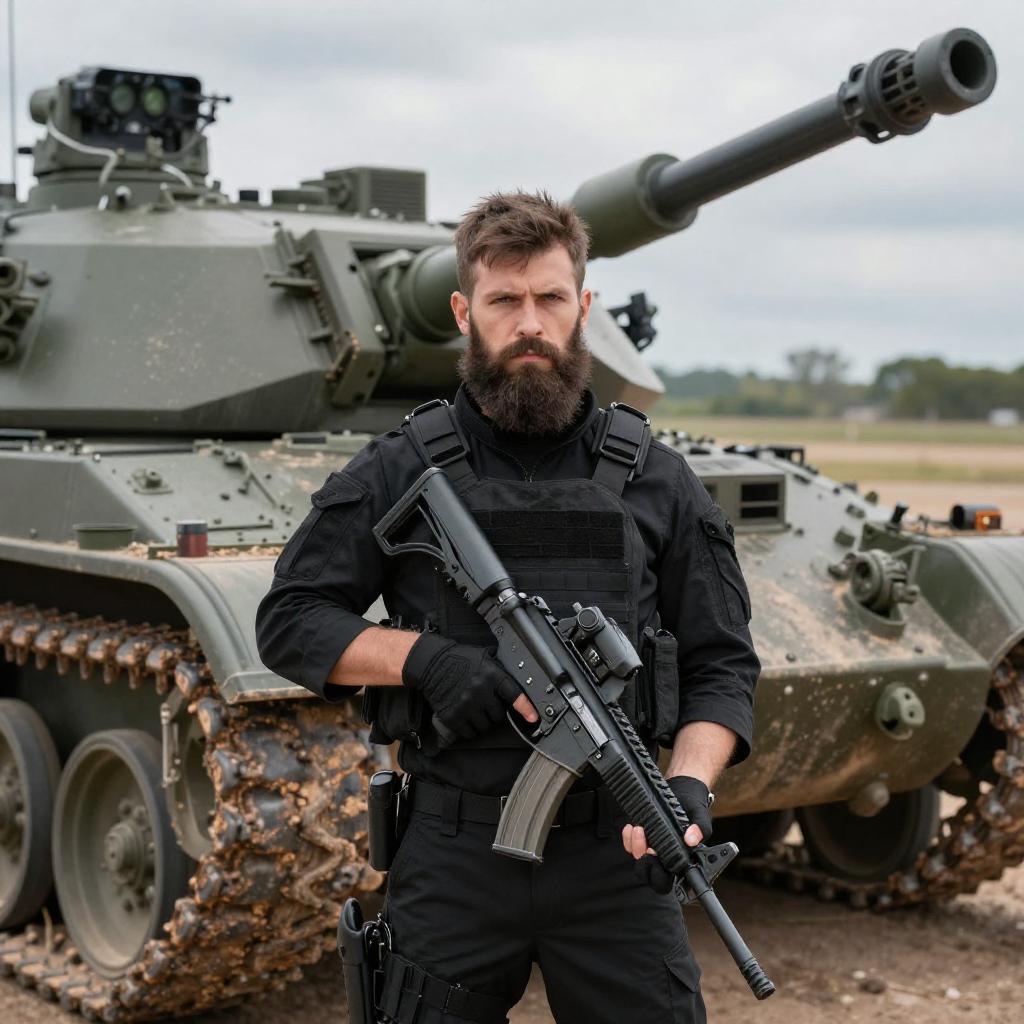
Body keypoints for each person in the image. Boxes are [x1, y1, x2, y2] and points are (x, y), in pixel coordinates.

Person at [255, 190, 759, 1024]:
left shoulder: (658, 479)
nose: (530, 322)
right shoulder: (401, 466)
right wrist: (425, 659)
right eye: (505, 300)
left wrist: (689, 786)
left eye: (550, 299)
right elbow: (292, 618)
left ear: (583, 307)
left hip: (615, 859)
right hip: (454, 855)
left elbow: (721, 663)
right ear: (465, 311)